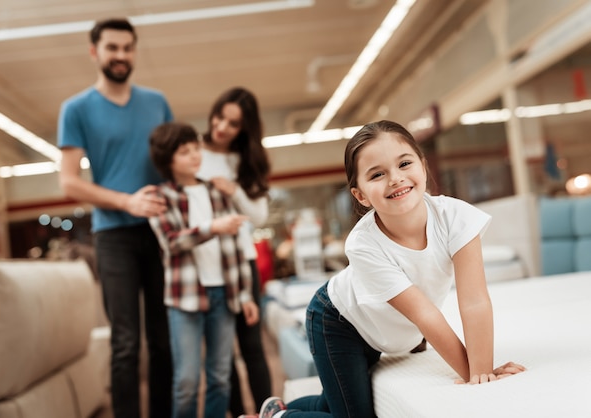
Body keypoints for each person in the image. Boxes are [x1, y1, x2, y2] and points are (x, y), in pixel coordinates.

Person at [243, 120, 526, 418]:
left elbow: (474, 300)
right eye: (377, 174)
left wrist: (482, 371)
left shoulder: (456, 218)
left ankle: (277, 408)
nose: (395, 178)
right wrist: (474, 373)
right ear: (361, 195)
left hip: (382, 329)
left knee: (335, 402)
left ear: (423, 167)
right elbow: (424, 314)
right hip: (338, 323)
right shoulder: (362, 244)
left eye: (405, 163)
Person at [57, 18, 173, 418]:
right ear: (95, 52)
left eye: (127, 47)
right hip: (113, 237)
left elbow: (173, 165)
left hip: (160, 232)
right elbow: (68, 183)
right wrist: (126, 203)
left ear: (134, 51)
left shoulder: (157, 102)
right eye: (112, 48)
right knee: (126, 342)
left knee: (163, 339)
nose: (121, 55)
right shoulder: (76, 109)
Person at [147, 121, 260, 418]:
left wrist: (246, 295)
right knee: (186, 380)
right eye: (185, 152)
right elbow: (171, 242)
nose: (195, 155)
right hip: (184, 299)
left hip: (224, 294)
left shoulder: (218, 191)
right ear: (168, 160)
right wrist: (212, 227)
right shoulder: (161, 197)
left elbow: (237, 248)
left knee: (220, 376)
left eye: (196, 148)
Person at [197, 87, 273, 416]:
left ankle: (266, 412)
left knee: (252, 346)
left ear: (245, 129)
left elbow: (259, 217)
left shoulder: (247, 160)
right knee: (220, 354)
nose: (222, 127)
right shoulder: (192, 152)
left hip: (243, 262)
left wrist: (235, 191)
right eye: (220, 117)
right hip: (205, 264)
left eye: (233, 123)